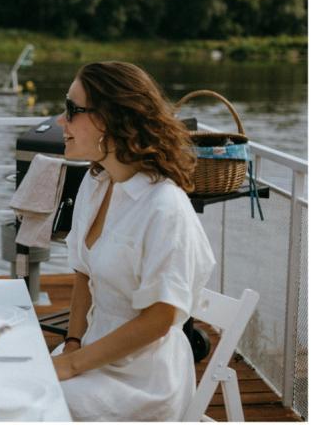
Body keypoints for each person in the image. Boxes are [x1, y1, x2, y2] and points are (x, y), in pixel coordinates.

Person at [50, 61, 216, 421]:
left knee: (35, 404)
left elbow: (160, 319)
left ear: (106, 119)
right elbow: (83, 275)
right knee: (12, 385)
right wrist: (73, 343)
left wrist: (74, 364)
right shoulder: (96, 184)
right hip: (93, 350)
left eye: (71, 110)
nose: (61, 121)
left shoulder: (164, 206)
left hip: (144, 378)